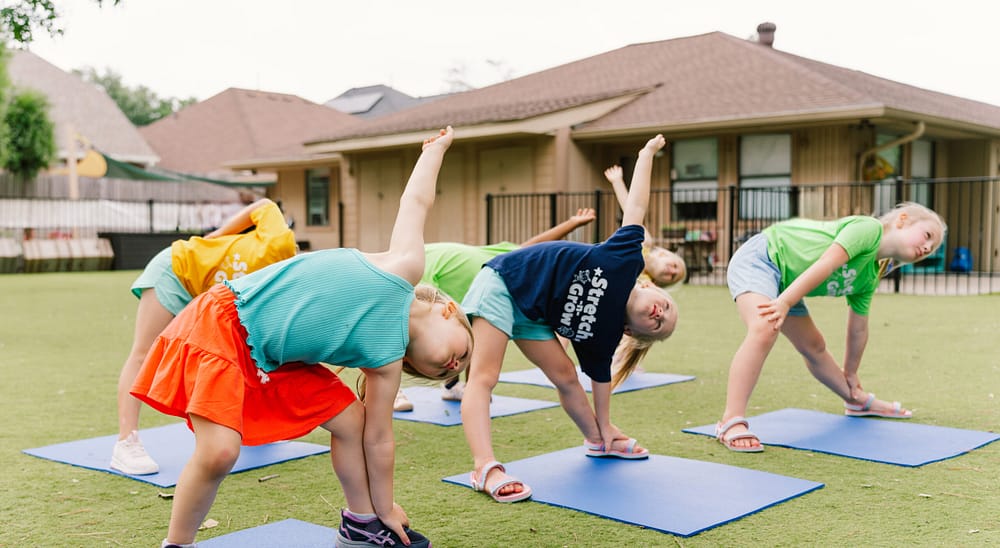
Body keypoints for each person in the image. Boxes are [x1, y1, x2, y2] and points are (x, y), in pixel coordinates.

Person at [131, 127, 470, 548]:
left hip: (273, 358)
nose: (454, 367)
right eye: (462, 352)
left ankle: (363, 523)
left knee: (352, 420)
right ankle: (176, 544)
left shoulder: (383, 365)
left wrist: (386, 507)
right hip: (224, 322)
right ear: (448, 311)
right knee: (220, 451)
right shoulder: (402, 267)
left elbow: (379, 441)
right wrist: (435, 151)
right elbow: (416, 202)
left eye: (444, 372)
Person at [459, 135, 677, 503]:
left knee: (566, 379)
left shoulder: (603, 337)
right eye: (666, 307)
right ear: (647, 285)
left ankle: (598, 441)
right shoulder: (625, 260)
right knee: (484, 377)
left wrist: (605, 424)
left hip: (533, 311)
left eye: (659, 326)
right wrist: (646, 155)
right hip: (504, 281)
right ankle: (484, 465)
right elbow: (637, 205)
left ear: (629, 330)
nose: (660, 315)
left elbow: (599, 381)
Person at [715, 202, 947, 452]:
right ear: (902, 220)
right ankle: (730, 420)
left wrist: (851, 373)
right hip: (763, 258)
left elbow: (858, 328)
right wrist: (784, 302)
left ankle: (856, 400)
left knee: (815, 347)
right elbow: (826, 263)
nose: (927, 247)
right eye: (927, 236)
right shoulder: (868, 229)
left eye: (931, 248)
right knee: (765, 326)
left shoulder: (869, 276)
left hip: (789, 283)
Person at [112, 197, 297, 475]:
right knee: (145, 353)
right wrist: (218, 235)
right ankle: (126, 443)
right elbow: (264, 204)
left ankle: (250, 428)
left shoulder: (279, 298)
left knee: (241, 357)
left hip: (204, 293)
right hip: (176, 269)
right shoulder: (280, 244)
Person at [393, 207, 598, 412]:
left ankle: (452, 385)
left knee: (460, 338)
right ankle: (393, 392)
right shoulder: (514, 272)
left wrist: (572, 223)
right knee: (403, 332)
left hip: (440, 267)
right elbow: (537, 244)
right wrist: (571, 224)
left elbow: (536, 244)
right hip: (427, 268)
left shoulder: (515, 267)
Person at [603, 164, 687, 288]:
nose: (672, 271)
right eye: (675, 266)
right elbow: (630, 210)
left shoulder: (644, 285)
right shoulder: (644, 242)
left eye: (673, 277)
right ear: (664, 254)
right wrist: (617, 182)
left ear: (659, 283)